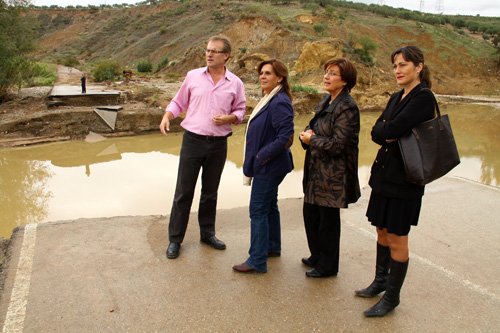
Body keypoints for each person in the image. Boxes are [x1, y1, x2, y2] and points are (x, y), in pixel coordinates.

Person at [355, 46, 435, 317]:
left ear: (419, 67)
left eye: (403, 65)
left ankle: (392, 297)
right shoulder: (395, 96)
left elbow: (391, 128)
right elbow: (378, 131)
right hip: (384, 175)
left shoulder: (424, 98)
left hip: (406, 180)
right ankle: (380, 281)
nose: (398, 71)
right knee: (381, 230)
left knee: (397, 237)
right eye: (395, 66)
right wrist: (388, 130)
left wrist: (389, 130)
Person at [159, 35, 246, 259]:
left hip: (218, 144)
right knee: (183, 191)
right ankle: (175, 240)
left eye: (215, 51)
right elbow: (179, 101)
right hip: (193, 141)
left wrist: (228, 118)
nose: (209, 54)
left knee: (210, 193)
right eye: (207, 50)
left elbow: (240, 111)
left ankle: (207, 234)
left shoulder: (235, 83)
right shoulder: (193, 76)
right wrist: (168, 115)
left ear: (226, 56)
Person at [299, 58, 360, 278]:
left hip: (333, 175)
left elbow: (338, 145)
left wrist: (311, 140)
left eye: (333, 73)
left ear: (345, 81)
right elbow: (315, 127)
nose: (327, 76)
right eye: (326, 72)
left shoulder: (347, 107)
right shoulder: (326, 100)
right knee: (311, 215)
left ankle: (328, 265)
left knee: (327, 222)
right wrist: (306, 134)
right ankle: (317, 255)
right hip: (316, 171)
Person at [232, 59, 294, 273]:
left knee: (257, 210)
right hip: (270, 164)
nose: (263, 76)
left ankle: (257, 260)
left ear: (280, 77)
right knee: (269, 206)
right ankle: (272, 247)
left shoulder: (279, 101)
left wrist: (260, 156)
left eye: (268, 73)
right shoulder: (270, 98)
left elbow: (285, 136)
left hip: (269, 166)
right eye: (261, 73)